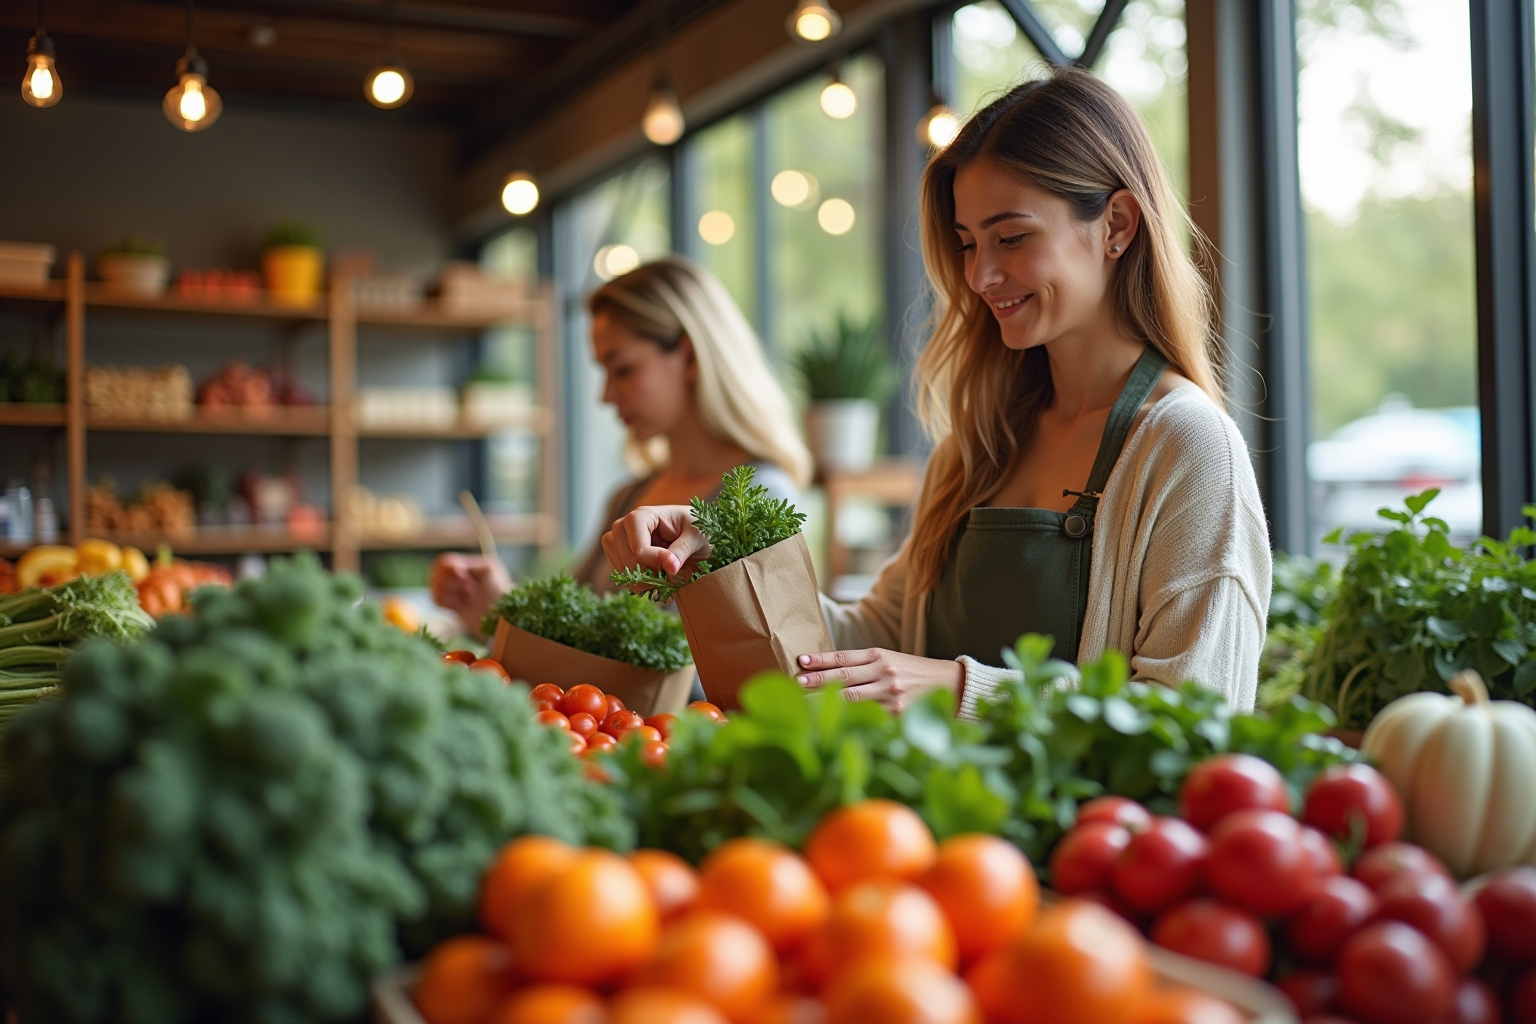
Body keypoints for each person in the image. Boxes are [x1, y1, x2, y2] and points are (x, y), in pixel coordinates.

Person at [601, 67, 1271, 716]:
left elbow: (1191, 720)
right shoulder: (977, 447)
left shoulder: (1186, 445)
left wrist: (958, 691)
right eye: (967, 244)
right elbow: (867, 641)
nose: (979, 276)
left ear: (1118, 225)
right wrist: (727, 553)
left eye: (1011, 237)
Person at [432, 256, 810, 639]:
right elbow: (572, 632)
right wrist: (498, 605)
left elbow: (753, 649)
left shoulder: (761, 496)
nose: (606, 395)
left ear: (689, 357)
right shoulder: (629, 497)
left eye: (623, 369)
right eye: (604, 371)